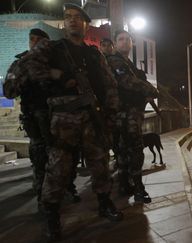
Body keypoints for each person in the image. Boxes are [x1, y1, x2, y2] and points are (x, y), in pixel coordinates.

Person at [16, 4, 122, 241]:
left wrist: (111, 114)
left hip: (92, 117)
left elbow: (110, 86)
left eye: (77, 18)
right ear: (64, 24)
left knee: (100, 163)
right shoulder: (51, 48)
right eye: (68, 18)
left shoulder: (95, 55)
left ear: (86, 24)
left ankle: (104, 203)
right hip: (63, 118)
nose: (72, 21)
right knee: (57, 169)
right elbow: (27, 66)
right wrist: (57, 75)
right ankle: (52, 217)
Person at [3, 28, 80, 212]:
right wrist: (24, 70)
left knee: (68, 157)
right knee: (39, 161)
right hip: (36, 121)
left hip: (60, 120)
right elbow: (9, 91)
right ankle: (42, 200)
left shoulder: (59, 62)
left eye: (40, 40)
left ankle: (68, 188)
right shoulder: (20, 63)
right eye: (32, 39)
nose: (35, 43)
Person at [106, 30, 158, 203]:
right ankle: (138, 188)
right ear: (115, 43)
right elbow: (127, 82)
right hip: (125, 113)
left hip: (127, 113)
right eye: (121, 39)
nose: (125, 42)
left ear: (132, 43)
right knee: (135, 149)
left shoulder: (127, 63)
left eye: (128, 39)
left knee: (124, 150)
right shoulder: (115, 61)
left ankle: (124, 184)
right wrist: (151, 90)